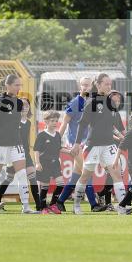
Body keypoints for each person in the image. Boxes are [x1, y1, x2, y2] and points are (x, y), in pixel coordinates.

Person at [70, 73, 131, 215]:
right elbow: (82, 124)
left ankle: (122, 207)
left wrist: (126, 137)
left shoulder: (112, 103)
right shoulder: (91, 102)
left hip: (109, 145)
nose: (109, 86)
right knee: (85, 176)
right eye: (106, 84)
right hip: (93, 146)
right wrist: (77, 143)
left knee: (116, 173)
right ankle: (76, 206)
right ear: (98, 85)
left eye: (110, 84)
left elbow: (119, 125)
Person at [0, 74, 30, 214]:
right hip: (0, 144)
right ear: (8, 85)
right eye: (16, 85)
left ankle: (25, 207)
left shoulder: (19, 103)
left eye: (20, 85)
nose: (19, 87)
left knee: (22, 174)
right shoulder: (1, 103)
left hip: (16, 144)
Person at [56, 77, 99, 211]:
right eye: (83, 85)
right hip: (75, 143)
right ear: (79, 87)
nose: (86, 88)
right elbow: (64, 123)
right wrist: (56, 140)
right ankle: (94, 204)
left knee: (76, 174)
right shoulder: (75, 103)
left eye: (88, 85)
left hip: (87, 143)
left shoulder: (92, 103)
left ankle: (60, 201)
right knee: (87, 172)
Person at [33, 110, 68, 214]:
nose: (54, 123)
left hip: (55, 164)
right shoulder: (42, 135)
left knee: (61, 184)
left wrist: (70, 151)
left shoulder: (57, 135)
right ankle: (42, 207)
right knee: (44, 187)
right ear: (46, 121)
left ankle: (53, 204)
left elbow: (59, 148)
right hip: (44, 164)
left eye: (56, 121)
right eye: (52, 121)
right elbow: (36, 150)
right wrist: (37, 163)